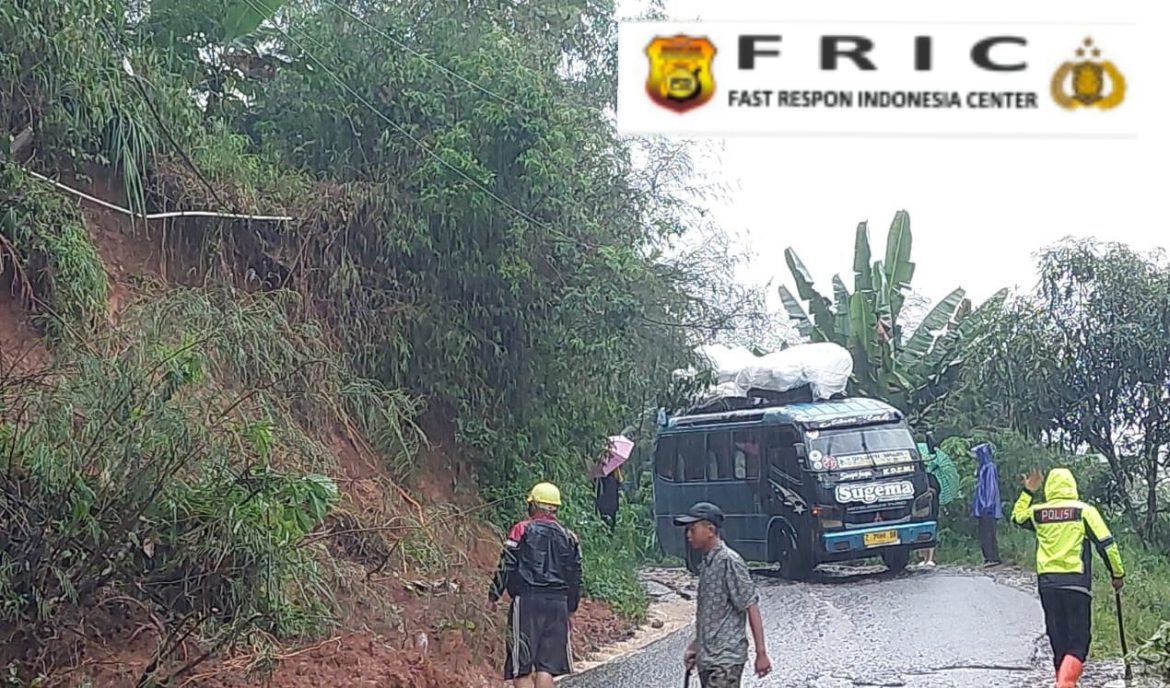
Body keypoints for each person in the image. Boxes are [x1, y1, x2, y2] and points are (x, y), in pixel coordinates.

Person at [1011, 467, 1125, 688]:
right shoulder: (1084, 511)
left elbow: (1017, 517)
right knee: (1079, 642)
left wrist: (1027, 492)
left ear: (1049, 487)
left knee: (1058, 638)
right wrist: (1117, 574)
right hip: (1076, 584)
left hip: (1048, 585)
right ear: (1072, 485)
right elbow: (1106, 545)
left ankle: (1064, 682)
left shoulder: (1039, 513)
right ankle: (1065, 682)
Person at [488, 482, 583, 688]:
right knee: (546, 667)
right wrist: (571, 607)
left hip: (528, 602)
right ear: (554, 508)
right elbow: (575, 576)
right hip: (558, 605)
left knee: (521, 668)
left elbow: (507, 564)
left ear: (534, 506)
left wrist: (494, 595)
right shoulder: (569, 537)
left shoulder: (521, 529)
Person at [674, 502, 772, 688]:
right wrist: (696, 646)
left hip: (725, 660)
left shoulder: (729, 561)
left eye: (692, 529)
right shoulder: (707, 564)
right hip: (709, 659)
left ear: (710, 530)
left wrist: (761, 653)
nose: (688, 535)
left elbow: (750, 605)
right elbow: (713, 616)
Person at [970, 442, 1003, 566]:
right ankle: (989, 557)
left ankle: (992, 557)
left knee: (988, 533)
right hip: (982, 507)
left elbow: (990, 489)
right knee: (984, 533)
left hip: (988, 509)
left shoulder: (989, 467)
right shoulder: (983, 468)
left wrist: (987, 506)